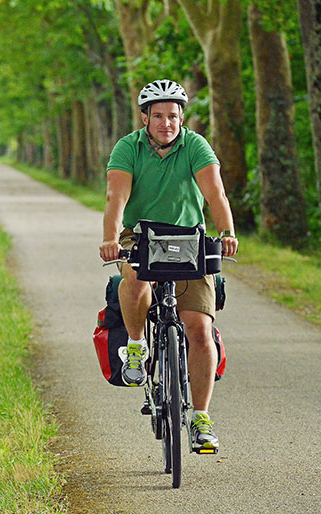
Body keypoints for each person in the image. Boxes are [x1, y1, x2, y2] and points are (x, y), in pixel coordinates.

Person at [98, 79, 238, 451]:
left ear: (181, 118)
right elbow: (117, 196)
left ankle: (201, 418)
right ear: (145, 118)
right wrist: (112, 238)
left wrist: (226, 231)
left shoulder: (195, 145)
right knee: (135, 277)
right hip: (140, 234)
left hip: (189, 238)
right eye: (157, 116)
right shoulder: (128, 147)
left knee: (198, 328)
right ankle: (136, 345)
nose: (166, 123)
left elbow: (215, 193)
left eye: (172, 116)